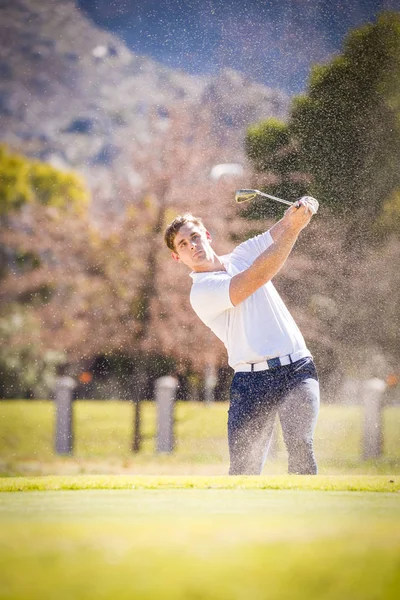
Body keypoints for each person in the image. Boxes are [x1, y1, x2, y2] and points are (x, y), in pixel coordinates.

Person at [164, 197, 320, 475]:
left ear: (207, 236)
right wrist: (296, 228)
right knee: (244, 470)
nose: (192, 246)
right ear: (178, 257)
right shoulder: (202, 291)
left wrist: (301, 208)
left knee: (300, 447)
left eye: (195, 237)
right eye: (183, 245)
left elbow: (283, 227)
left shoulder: (242, 254)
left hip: (297, 369)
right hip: (251, 382)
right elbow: (252, 280)